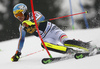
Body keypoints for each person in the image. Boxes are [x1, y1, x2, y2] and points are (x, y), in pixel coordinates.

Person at [11, 3, 98, 62]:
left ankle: (89, 46)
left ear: (25, 11)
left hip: (54, 31)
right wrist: (18, 53)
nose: (19, 17)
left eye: (19, 14)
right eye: (16, 16)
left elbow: (41, 17)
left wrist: (31, 22)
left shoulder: (34, 14)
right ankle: (70, 52)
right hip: (47, 38)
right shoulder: (22, 26)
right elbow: (21, 40)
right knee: (44, 44)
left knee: (66, 42)